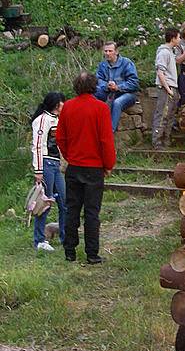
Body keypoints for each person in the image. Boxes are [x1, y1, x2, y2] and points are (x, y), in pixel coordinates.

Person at [56, 72, 116, 264]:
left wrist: (69, 156)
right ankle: (92, 253)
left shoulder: (68, 107)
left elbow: (60, 137)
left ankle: (69, 251)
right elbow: (106, 140)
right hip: (94, 167)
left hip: (74, 166)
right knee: (91, 212)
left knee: (71, 209)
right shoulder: (101, 108)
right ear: (94, 86)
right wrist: (108, 164)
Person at [30, 92, 67, 251]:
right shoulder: (41, 121)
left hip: (56, 164)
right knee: (45, 202)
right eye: (62, 102)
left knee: (64, 201)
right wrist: (38, 169)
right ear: (56, 104)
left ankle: (65, 236)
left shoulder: (58, 120)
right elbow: (38, 145)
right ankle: (39, 239)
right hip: (45, 163)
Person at [94, 41, 140, 132]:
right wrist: (106, 85)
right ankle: (91, 125)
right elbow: (98, 80)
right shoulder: (102, 65)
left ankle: (110, 131)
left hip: (127, 93)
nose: (107, 53)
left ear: (116, 52)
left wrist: (118, 86)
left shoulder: (127, 63)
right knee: (92, 93)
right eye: (105, 51)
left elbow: (134, 83)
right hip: (108, 92)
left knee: (117, 103)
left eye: (110, 51)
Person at [152, 28, 180, 148]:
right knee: (162, 115)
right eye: (178, 37)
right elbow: (160, 72)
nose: (179, 40)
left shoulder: (170, 52)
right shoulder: (163, 52)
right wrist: (168, 89)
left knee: (170, 116)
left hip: (173, 87)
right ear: (173, 38)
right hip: (166, 88)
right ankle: (157, 142)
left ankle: (166, 140)